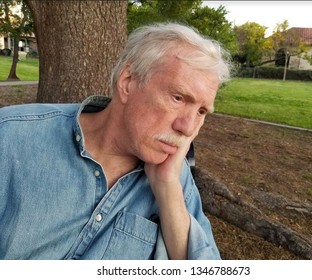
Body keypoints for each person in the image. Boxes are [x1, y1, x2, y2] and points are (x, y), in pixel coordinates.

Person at [0, 22, 230, 260]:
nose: (188, 127)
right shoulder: (11, 138)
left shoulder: (174, 174)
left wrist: (167, 187)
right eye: (178, 98)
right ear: (128, 82)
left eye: (201, 111)